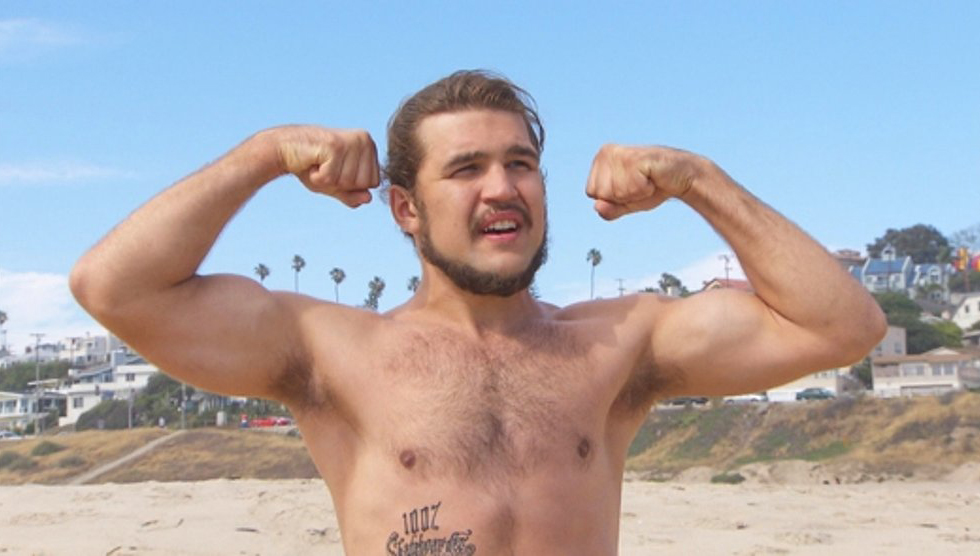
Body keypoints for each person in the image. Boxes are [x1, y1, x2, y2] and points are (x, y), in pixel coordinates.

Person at [70, 70, 886, 555]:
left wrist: (699, 179)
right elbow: (113, 287)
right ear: (406, 209)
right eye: (466, 169)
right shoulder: (330, 349)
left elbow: (843, 327)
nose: (502, 188)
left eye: (520, 164)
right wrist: (265, 153)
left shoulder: (621, 343)